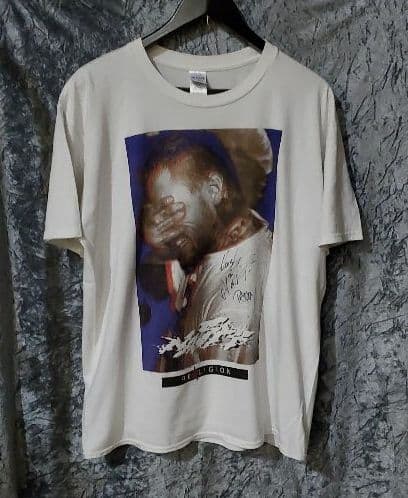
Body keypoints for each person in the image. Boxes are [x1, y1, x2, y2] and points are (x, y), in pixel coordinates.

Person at [140, 134, 273, 370]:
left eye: (171, 210)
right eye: (158, 214)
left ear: (214, 190)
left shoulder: (234, 309)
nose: (164, 227)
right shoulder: (217, 240)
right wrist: (155, 244)